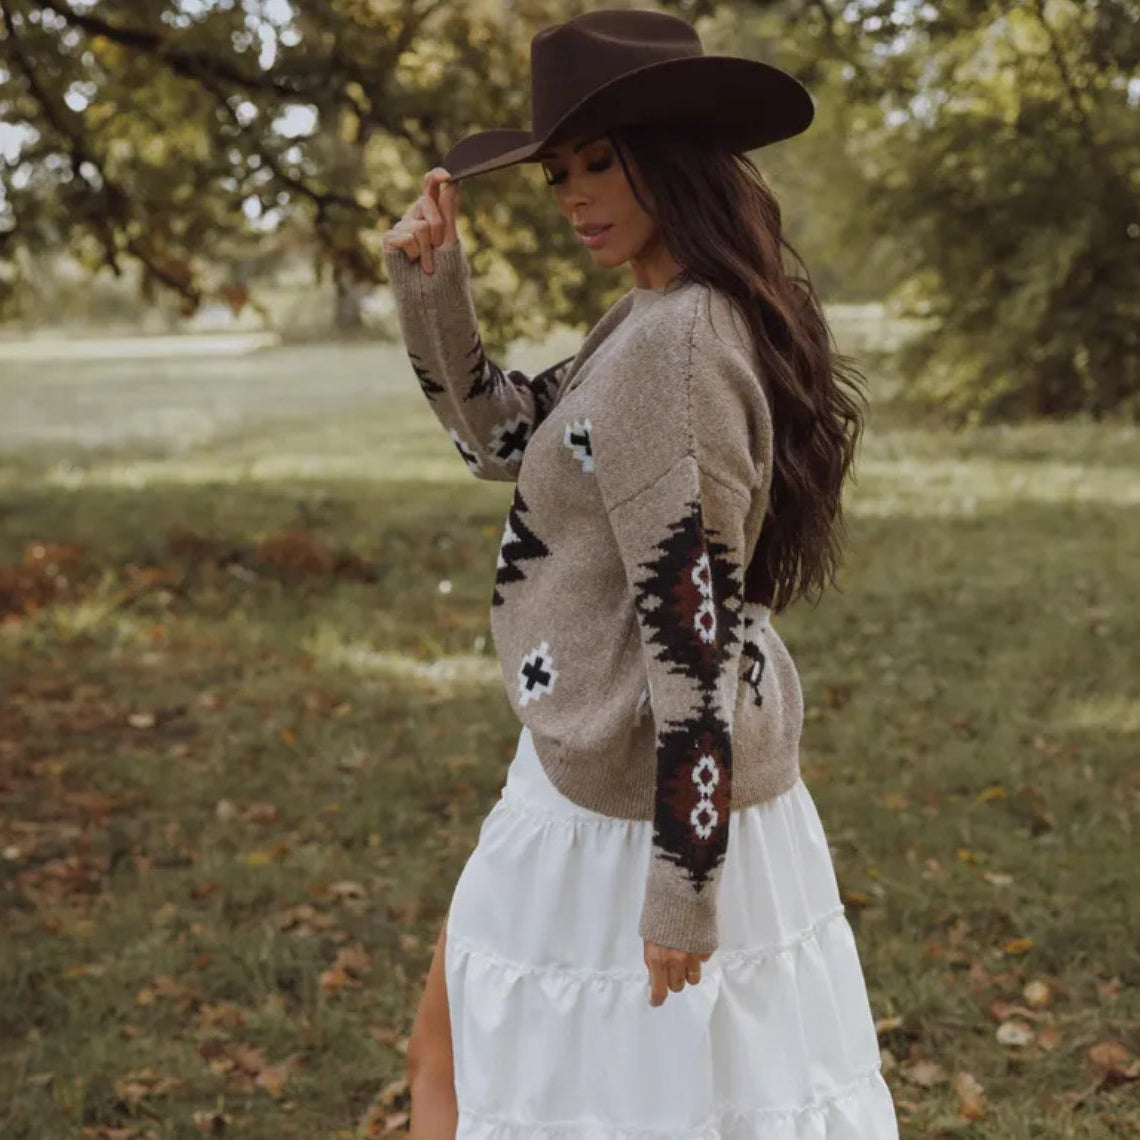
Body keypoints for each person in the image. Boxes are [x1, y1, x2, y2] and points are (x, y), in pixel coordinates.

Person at [380, 8, 900, 1138]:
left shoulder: (683, 345)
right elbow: (503, 442)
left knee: (490, 1070)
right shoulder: (655, 312)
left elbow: (692, 636)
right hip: (589, 761)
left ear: (672, 149)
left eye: (599, 162)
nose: (573, 194)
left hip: (636, 795)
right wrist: (433, 287)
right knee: (465, 1054)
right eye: (560, 171)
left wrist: (681, 891)